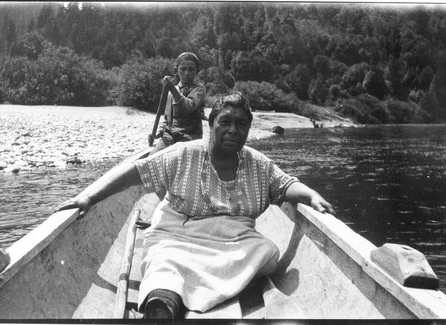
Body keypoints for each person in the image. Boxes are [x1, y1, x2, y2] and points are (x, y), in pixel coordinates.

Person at [57, 92, 335, 319]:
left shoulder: (257, 163)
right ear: (211, 124)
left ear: (249, 129)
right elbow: (134, 173)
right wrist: (89, 197)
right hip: (178, 234)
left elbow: (285, 185)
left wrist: (310, 195)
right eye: (225, 122)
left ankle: (207, 288)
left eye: (241, 125)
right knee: (165, 261)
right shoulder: (183, 153)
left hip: (234, 241)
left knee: (263, 250)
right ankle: (164, 302)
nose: (233, 130)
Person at [148, 52, 206, 154]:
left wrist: (172, 89)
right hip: (170, 136)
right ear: (176, 70)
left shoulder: (199, 89)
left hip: (190, 137)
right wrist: (159, 133)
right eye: (183, 69)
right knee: (152, 157)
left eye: (191, 69)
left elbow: (188, 107)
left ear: (197, 71)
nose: (187, 73)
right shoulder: (173, 89)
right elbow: (168, 118)